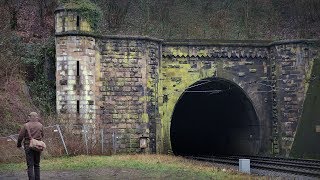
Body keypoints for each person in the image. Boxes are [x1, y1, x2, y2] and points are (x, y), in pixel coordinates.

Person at [17, 112, 44, 180]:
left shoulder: (26, 125)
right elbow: (42, 135)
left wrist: (19, 144)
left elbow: (20, 137)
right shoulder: (40, 125)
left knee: (30, 165)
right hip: (38, 146)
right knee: (37, 165)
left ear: (30, 117)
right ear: (36, 117)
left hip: (28, 146)